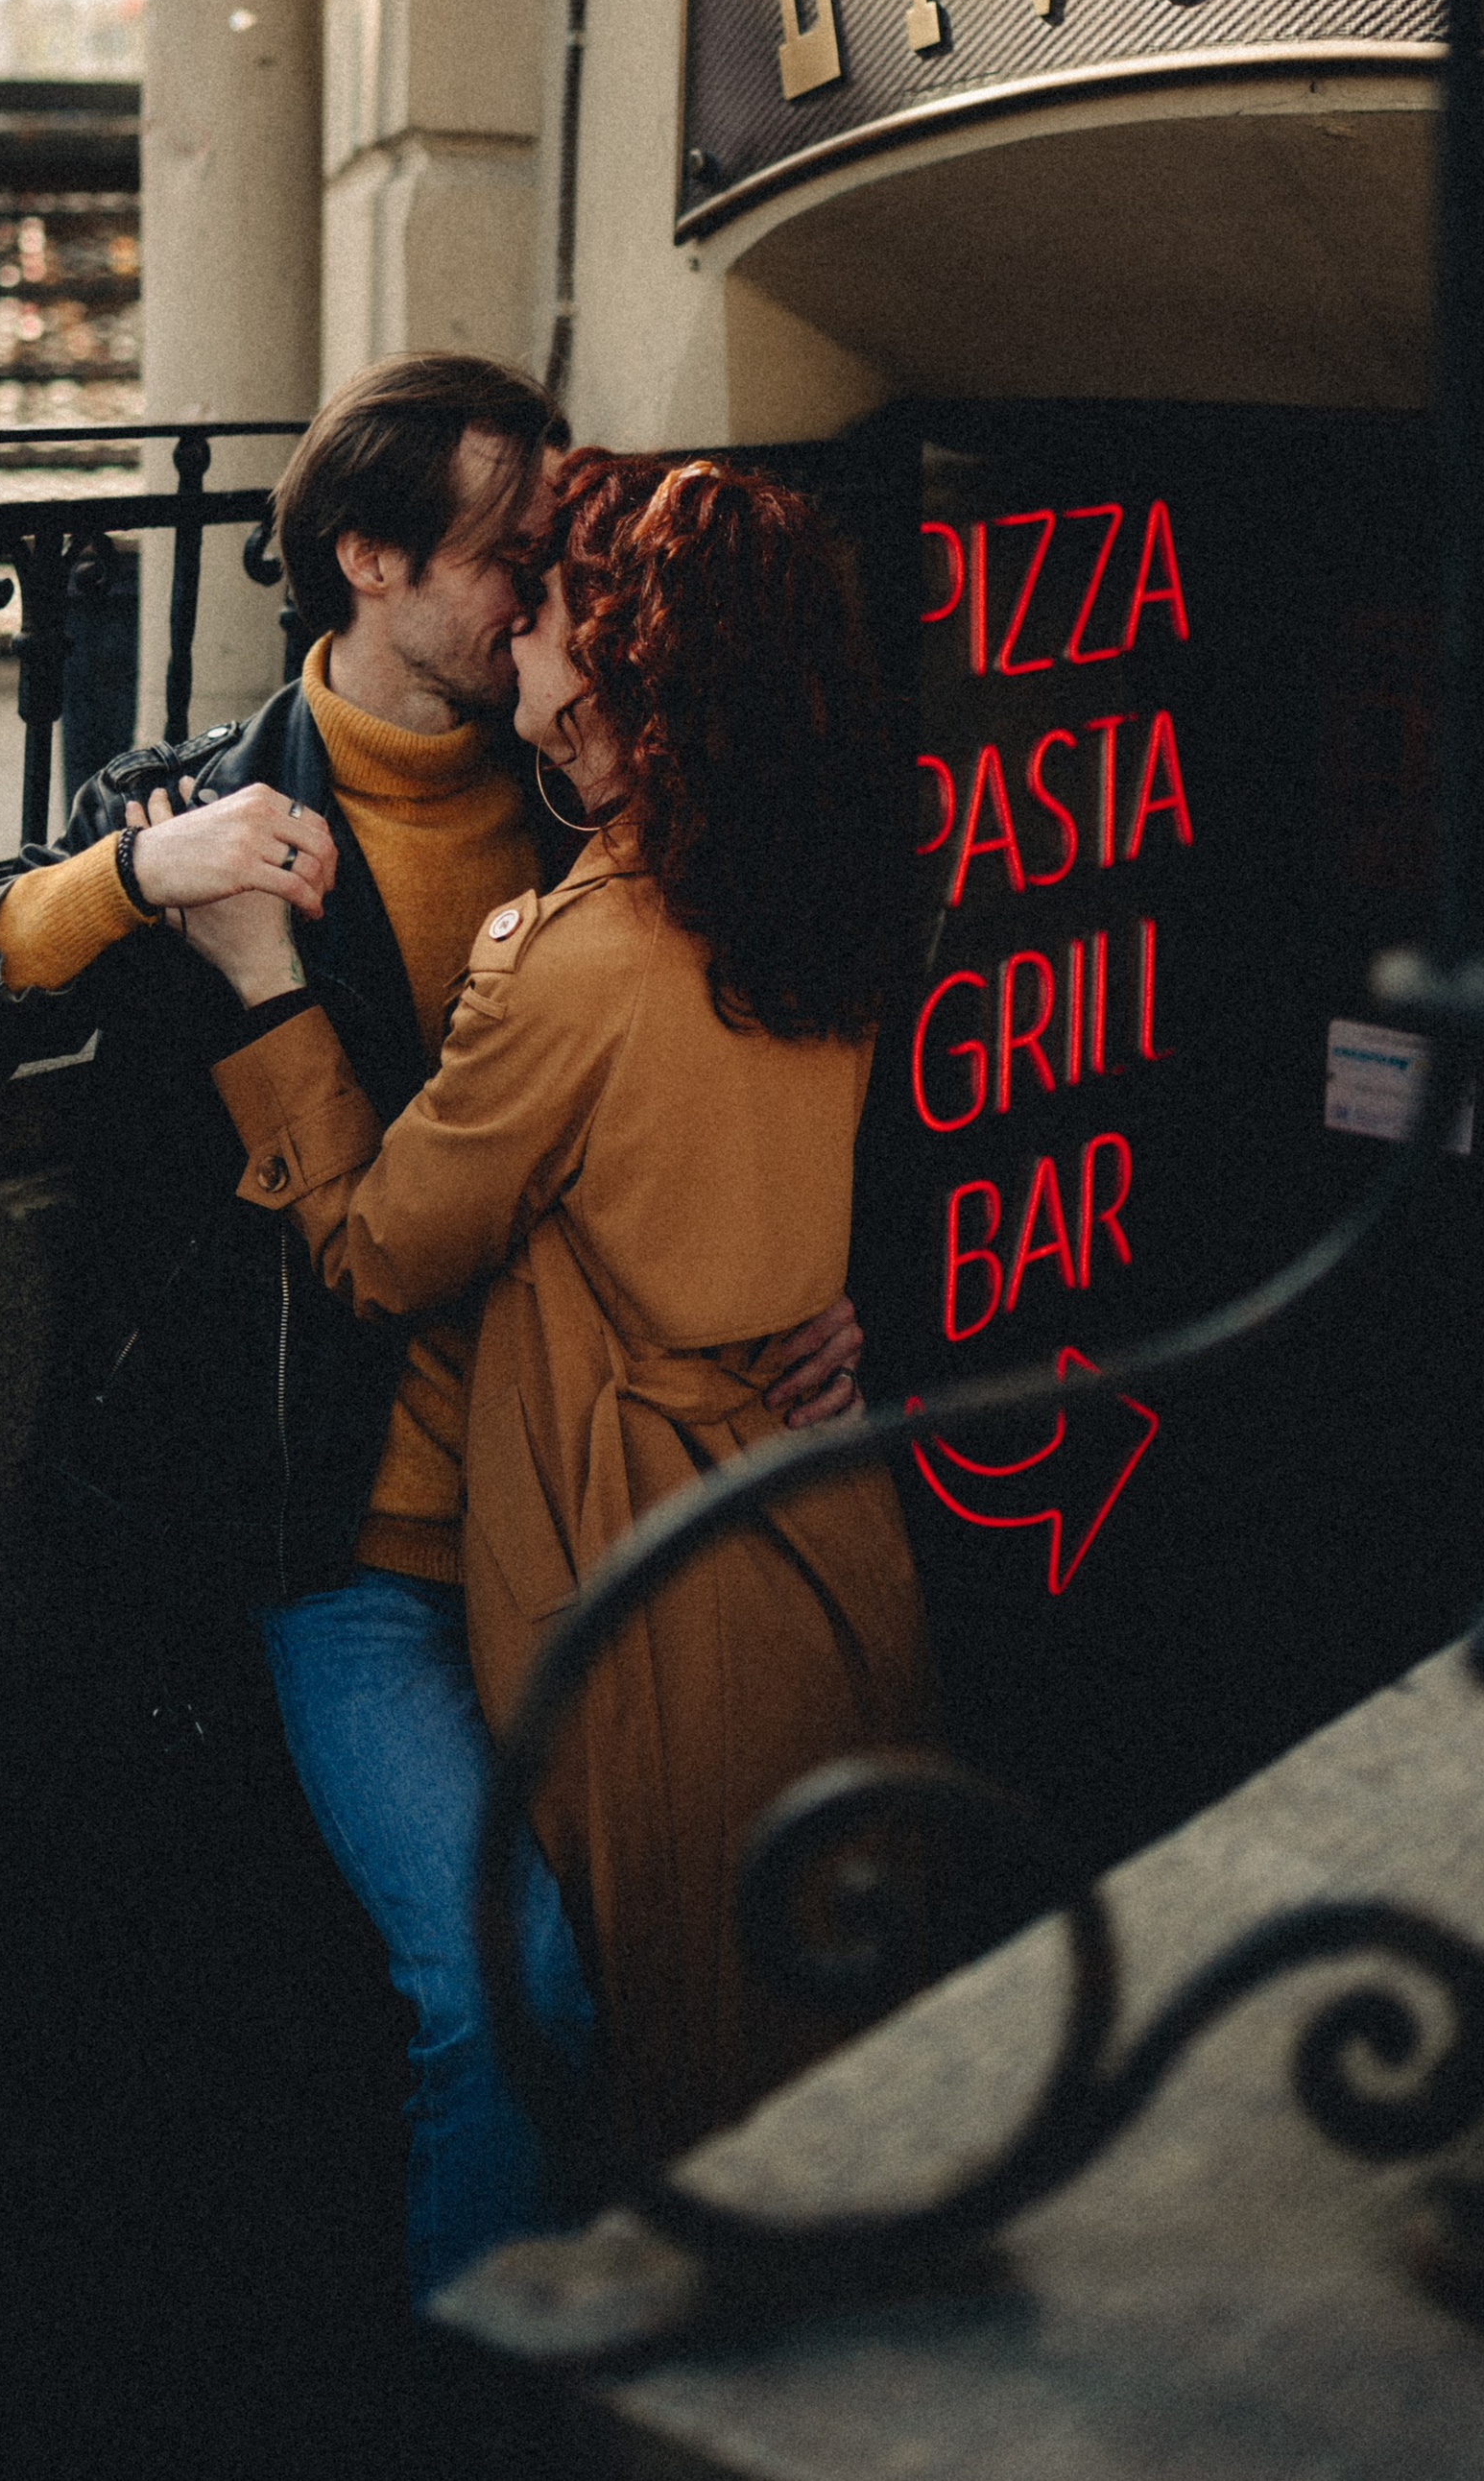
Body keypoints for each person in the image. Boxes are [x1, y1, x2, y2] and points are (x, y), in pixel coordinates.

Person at [0, 357, 863, 2289]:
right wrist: (133, 873)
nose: (549, 586)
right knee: (501, 1988)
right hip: (327, 1534)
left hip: (573, 1520)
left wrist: (802, 1297)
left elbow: (703, 1093)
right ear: (369, 559)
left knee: (666, 1983)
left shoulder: (599, 796)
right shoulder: (196, 803)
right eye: (514, 551)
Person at [178, 451, 934, 2168]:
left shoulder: (582, 955)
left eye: (545, 612)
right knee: (825, 2003)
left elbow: (376, 1254)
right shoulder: (824, 890)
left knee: (676, 2044)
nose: (515, 626)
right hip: (818, 1527)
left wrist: (264, 990)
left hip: (639, 1550)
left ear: (611, 675)